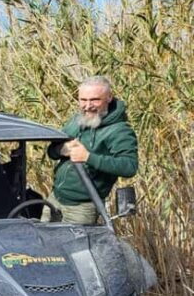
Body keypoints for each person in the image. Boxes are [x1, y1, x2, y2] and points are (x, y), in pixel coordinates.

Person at [43, 76, 139, 225]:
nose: (88, 106)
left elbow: (129, 166)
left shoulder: (119, 130)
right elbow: (51, 152)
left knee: (74, 242)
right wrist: (60, 150)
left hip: (82, 209)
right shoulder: (77, 120)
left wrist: (88, 157)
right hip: (54, 200)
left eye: (95, 100)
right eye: (83, 100)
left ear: (109, 97)